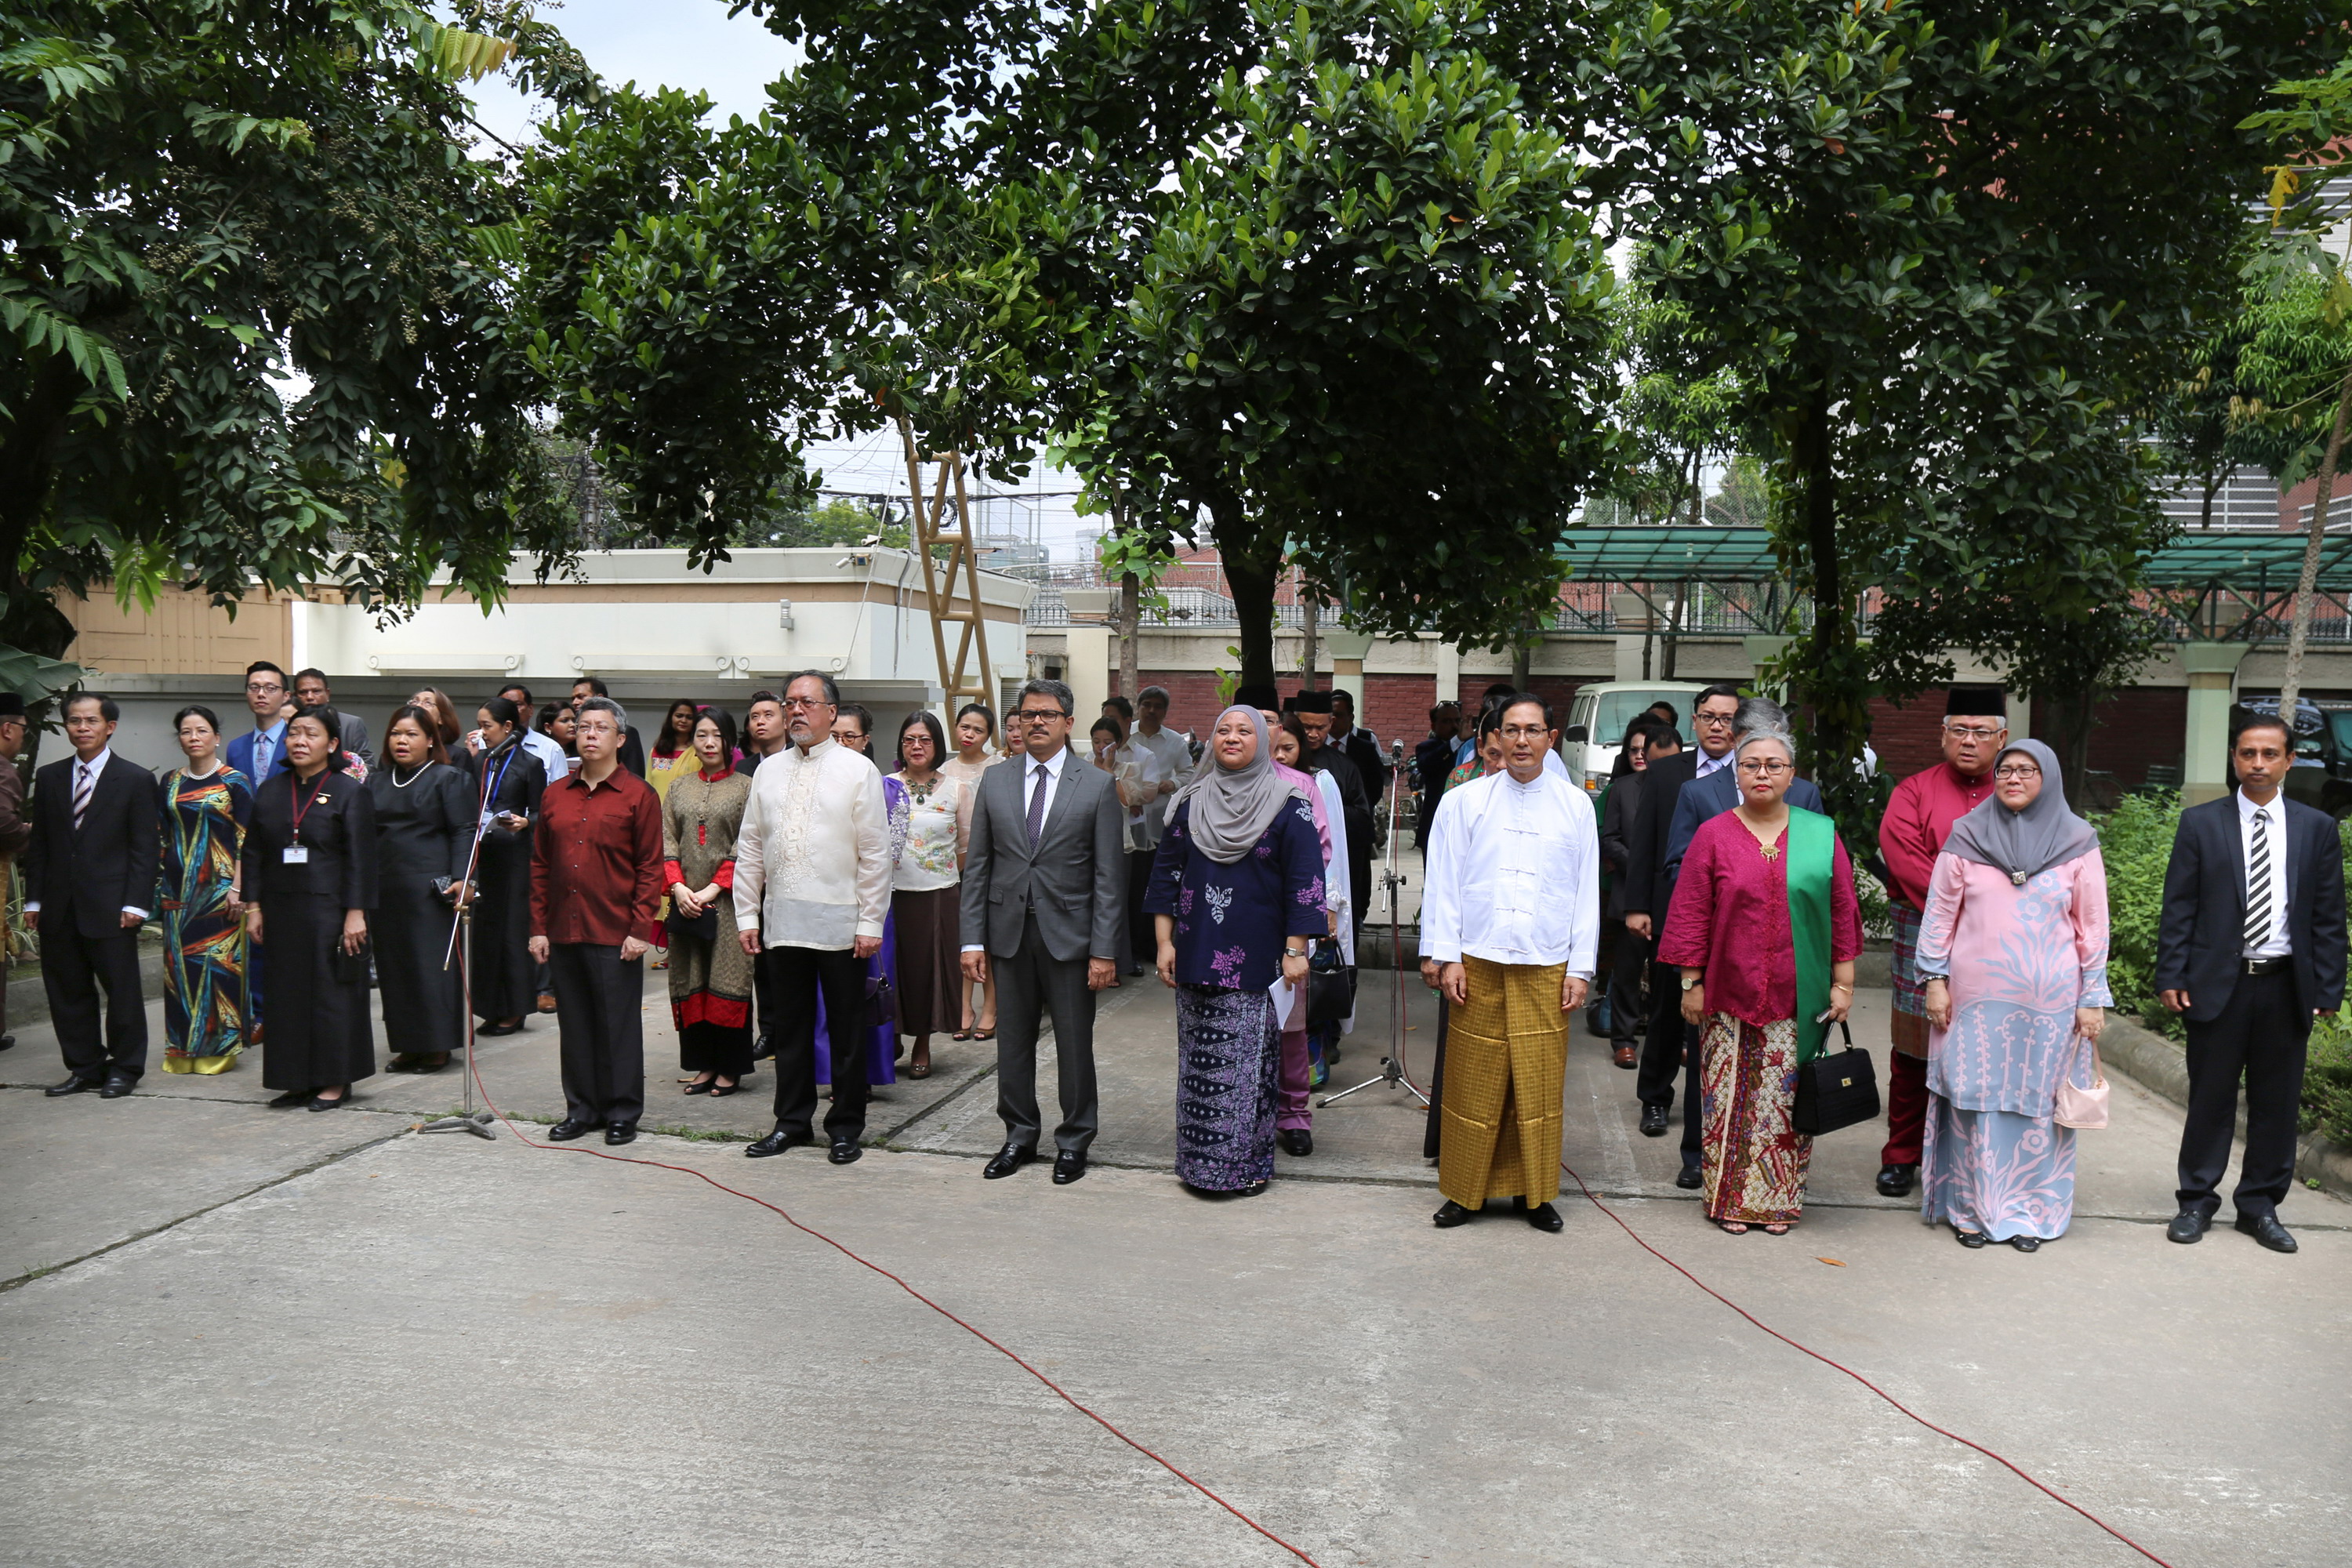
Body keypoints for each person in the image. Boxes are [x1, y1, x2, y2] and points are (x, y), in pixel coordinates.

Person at [1657, 728, 1862, 1234]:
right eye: (1751, 765)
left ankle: (1778, 1203)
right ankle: (1728, 1200)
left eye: (1774, 765)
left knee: (1786, 1104)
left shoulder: (1819, 832)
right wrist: (1691, 983)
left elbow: (1842, 911)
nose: (1763, 773)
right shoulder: (1714, 835)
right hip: (1726, 995)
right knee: (1727, 1102)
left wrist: (1844, 984)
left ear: (1792, 775)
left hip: (1801, 996)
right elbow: (1690, 913)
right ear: (1736, 774)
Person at [2157, 714, 2348, 1254]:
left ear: (2289, 760)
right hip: (2219, 986)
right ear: (2235, 759)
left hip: (2286, 987)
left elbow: (2329, 917)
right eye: (2248, 754)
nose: (2258, 764)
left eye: (2269, 754)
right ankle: (2195, 1200)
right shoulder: (2201, 824)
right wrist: (2172, 974)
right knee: (2210, 1099)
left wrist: (2327, 988)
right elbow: (2180, 908)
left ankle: (2260, 1207)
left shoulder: (2316, 828)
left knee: (2277, 1104)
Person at [1915, 739, 2111, 1250]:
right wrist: (1934, 981)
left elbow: (2093, 926)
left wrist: (2093, 995)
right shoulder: (1967, 836)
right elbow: (1938, 917)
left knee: (2039, 1108)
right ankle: (1971, 1212)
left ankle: (2033, 1215)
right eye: (2006, 770)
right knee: (1974, 1104)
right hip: (1974, 1004)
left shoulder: (2078, 841)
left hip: (2050, 1006)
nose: (2014, 779)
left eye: (2027, 770)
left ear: (2048, 778)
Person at [1419, 694, 1599, 1232]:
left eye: (1534, 730)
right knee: (1474, 1078)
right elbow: (1444, 883)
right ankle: (1464, 1192)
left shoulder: (1576, 806)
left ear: (1551, 737)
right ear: (1495, 737)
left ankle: (1535, 1193)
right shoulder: (1464, 802)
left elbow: (1586, 891)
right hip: (1477, 961)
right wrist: (1445, 955)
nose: (1523, 740)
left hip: (1546, 962)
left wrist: (1580, 967)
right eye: (1512, 730)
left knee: (1537, 1084)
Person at [1146, 706, 1323, 1197]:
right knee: (1199, 1063)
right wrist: (1164, 943)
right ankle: (1200, 1167)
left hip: (1260, 957)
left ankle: (1244, 1169)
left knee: (1248, 1066)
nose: (1232, 737)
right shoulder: (1189, 801)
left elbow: (1305, 882)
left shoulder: (1290, 803)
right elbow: (1166, 876)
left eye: (1244, 730)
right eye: (1222, 729)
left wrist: (1295, 949)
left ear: (1263, 740)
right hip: (1196, 950)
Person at [961, 677, 1125, 1186]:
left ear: (1068, 723)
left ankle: (1074, 1141)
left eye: (1047, 714)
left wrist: (1104, 951)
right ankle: (1019, 1135)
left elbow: (1108, 877)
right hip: (1007, 933)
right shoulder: (997, 779)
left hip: (1072, 938)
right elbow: (979, 866)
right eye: (1029, 713)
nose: (1036, 722)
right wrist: (972, 938)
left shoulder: (1095, 785)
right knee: (1012, 1042)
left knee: (1075, 1043)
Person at [735, 672, 894, 1165]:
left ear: (831, 711)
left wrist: (871, 923)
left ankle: (845, 1127)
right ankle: (791, 1123)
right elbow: (751, 848)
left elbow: (875, 852)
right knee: (791, 1031)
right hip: (783, 922)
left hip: (842, 923)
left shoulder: (856, 769)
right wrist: (747, 913)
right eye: (790, 703)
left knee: (847, 1030)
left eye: (807, 702)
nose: (796, 711)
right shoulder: (768, 771)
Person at [1874, 689, 2008, 1198]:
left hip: (2000, 938)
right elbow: (1903, 857)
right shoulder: (1913, 791)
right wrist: (1976, 900)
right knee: (1913, 1050)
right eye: (1959, 730)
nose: (1968, 741)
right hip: (1923, 926)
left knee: (1987, 1048)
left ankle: (1973, 1157)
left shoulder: (2017, 789)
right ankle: (1902, 1156)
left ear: (2002, 739)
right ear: (1943, 735)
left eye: (1980, 732)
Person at [530, 699, 665, 1145]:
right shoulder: (554, 795)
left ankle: (623, 1112)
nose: (589, 734)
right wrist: (537, 926)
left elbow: (650, 868)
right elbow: (540, 866)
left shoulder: (638, 796)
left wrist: (640, 929)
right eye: (583, 726)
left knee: (617, 1026)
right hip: (564, 927)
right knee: (576, 1024)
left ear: (619, 740)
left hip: (615, 931)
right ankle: (582, 1109)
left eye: (601, 728)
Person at [240, 705, 377, 1110]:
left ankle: (335, 1080)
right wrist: (254, 907)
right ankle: (294, 1079)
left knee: (330, 996)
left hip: (331, 910)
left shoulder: (350, 791)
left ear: (332, 743)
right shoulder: (271, 790)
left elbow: (361, 858)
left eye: (311, 734)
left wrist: (357, 913)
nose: (300, 741)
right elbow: (253, 854)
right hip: (281, 910)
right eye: (294, 733)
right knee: (286, 996)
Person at [28, 694, 160, 1099]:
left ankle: (125, 1068)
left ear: (110, 727)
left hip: (113, 906)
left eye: (90, 721)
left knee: (121, 991)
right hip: (59, 905)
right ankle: (84, 1066)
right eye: (73, 721)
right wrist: (34, 901)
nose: (81, 728)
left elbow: (144, 848)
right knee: (67, 991)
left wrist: (136, 903)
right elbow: (41, 847)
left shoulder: (135, 779)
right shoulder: (50, 777)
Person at [368, 706, 473, 1075]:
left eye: (412, 734)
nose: (402, 740)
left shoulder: (449, 778)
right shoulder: (377, 781)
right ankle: (408, 1044)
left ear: (431, 740)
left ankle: (437, 1045)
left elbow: (464, 830)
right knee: (395, 970)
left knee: (430, 969)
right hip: (386, 887)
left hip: (430, 889)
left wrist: (463, 878)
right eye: (396, 733)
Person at [662, 708, 757, 1096]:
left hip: (730, 902)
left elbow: (748, 844)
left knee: (728, 978)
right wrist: (679, 889)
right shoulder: (678, 788)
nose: (709, 742)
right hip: (685, 901)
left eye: (717, 735)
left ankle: (730, 1068)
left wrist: (714, 889)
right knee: (690, 976)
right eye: (702, 735)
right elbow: (667, 840)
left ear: (730, 740)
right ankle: (702, 1065)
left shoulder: (746, 787)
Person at [154, 706, 252, 1075]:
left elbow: (247, 839)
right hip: (178, 892)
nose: (193, 737)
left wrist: (239, 888)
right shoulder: (170, 781)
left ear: (216, 737)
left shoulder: (235, 781)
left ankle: (218, 1051)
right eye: (185, 731)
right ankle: (181, 1050)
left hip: (220, 892)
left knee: (217, 969)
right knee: (179, 972)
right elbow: (162, 837)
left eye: (201, 730)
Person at [1269, 714, 1344, 1149]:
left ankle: (1294, 1114)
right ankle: (1249, 1111)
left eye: (1265, 722)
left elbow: (1320, 854)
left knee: (1291, 1025)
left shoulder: (1301, 785)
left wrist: (1313, 915)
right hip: (1231, 924)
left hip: (1286, 925)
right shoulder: (1215, 782)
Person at [890, 710, 972, 1080]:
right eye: (909, 739)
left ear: (937, 745)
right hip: (890, 896)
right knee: (891, 972)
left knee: (926, 973)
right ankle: (886, 1043)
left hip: (939, 895)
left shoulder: (957, 789)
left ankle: (922, 1044)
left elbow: (967, 848)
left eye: (924, 740)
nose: (916, 746)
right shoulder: (885, 785)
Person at [1599, 720, 1680, 1071]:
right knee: (1628, 972)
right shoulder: (1624, 789)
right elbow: (1610, 838)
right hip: (1631, 892)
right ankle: (1624, 1041)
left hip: (1674, 899)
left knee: (1670, 979)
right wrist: (1642, 864)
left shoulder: (1689, 789)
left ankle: (1671, 1043)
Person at [469, 697, 546, 1036]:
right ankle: (491, 1007)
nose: (482, 732)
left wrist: (526, 822)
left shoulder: (531, 764)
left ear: (508, 727)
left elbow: (544, 813)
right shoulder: (482, 762)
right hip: (485, 856)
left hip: (516, 859)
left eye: (487, 726)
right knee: (486, 934)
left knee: (512, 934)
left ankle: (515, 1009)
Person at [940, 701, 1004, 1043]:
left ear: (988, 735)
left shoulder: (999, 767)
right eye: (965, 727)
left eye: (978, 730)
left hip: (992, 864)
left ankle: (990, 1008)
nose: (969, 734)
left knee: (988, 941)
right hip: (950, 866)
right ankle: (962, 1008)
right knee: (962, 940)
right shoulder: (944, 769)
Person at [1293, 691, 1376, 936]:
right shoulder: (1284, 758)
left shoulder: (1343, 765)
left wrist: (1324, 812)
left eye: (1320, 727)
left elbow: (1362, 816)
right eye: (1306, 727)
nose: (1313, 734)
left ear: (1331, 723)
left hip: (1335, 859)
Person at [0, 694, 30, 1053]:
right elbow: (4, 825)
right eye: (23, 728)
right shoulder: (3, 770)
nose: (24, 736)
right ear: (8, 729)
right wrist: (34, 831)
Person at [466, 682, 569, 784]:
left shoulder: (551, 748)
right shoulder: (482, 744)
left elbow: (560, 791)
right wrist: (471, 758)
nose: (510, 709)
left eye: (517, 704)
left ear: (530, 709)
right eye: (503, 704)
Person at [226, 661, 292, 785]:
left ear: (286, 696)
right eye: (254, 688)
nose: (261, 694)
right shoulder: (235, 747)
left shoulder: (298, 741)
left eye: (270, 688)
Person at [1328, 688, 1390, 812]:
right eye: (1330, 715)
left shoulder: (1366, 746)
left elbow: (1376, 783)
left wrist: (1363, 808)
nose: (1333, 720)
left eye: (1339, 715)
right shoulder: (1316, 745)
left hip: (1357, 816)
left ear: (1350, 717)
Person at [570, 676, 647, 777]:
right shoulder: (574, 731)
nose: (575, 702)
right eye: (584, 727)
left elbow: (634, 770)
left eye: (581, 696)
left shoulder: (627, 732)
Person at [292, 670, 370, 764]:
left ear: (327, 694)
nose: (310, 697)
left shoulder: (351, 725)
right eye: (303, 692)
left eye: (316, 691)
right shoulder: (288, 723)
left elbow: (368, 765)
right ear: (295, 696)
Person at [1413, 703, 1459, 850]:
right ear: (1434, 726)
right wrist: (1455, 742)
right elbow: (1426, 765)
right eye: (1447, 721)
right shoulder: (1426, 747)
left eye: (1457, 721)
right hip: (1435, 821)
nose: (1454, 726)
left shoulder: (1473, 748)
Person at [648, 700, 702, 800]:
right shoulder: (657, 751)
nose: (684, 720)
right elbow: (648, 785)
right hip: (657, 812)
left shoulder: (699, 753)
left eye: (689, 717)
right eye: (679, 716)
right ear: (671, 718)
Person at [735, 689, 787, 777]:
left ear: (785, 722)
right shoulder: (742, 768)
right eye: (755, 717)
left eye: (768, 715)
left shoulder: (802, 760)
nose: (760, 721)